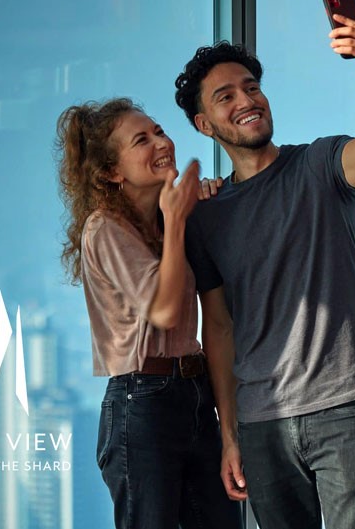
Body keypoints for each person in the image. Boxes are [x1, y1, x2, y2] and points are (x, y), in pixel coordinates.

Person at [174, 12, 355, 529]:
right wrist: (229, 434)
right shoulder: (207, 216)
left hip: (344, 407)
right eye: (225, 96)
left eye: (251, 87)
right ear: (203, 125)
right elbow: (219, 328)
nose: (246, 100)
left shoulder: (320, 165)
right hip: (261, 426)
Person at [55, 98, 243, 529]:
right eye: (142, 139)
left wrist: (194, 209)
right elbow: (164, 308)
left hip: (195, 394)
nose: (162, 143)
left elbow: (216, 315)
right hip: (142, 402)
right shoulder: (104, 228)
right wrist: (177, 221)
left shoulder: (167, 222)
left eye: (159, 131)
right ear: (111, 172)